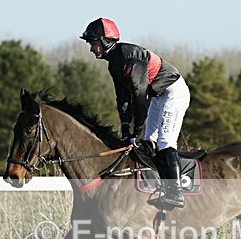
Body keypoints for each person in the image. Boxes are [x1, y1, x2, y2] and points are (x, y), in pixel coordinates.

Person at [80, 17, 190, 209]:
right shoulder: (113, 63)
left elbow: (139, 97)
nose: (91, 49)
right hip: (158, 95)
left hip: (173, 91)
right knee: (149, 141)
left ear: (106, 40)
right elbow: (122, 98)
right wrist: (125, 127)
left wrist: (136, 129)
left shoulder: (128, 58)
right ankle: (163, 185)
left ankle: (176, 192)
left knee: (165, 141)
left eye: (93, 43)